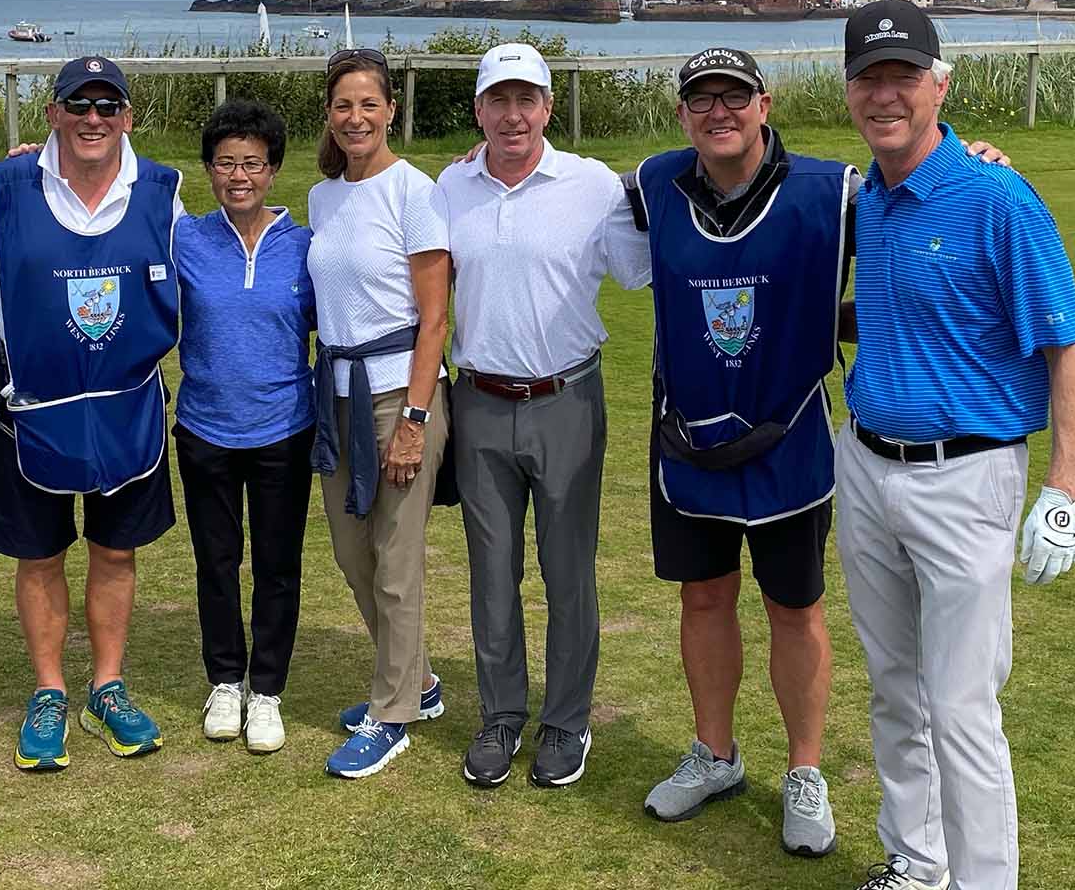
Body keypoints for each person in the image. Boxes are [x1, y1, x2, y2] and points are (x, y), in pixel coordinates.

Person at [836, 0, 1075, 890]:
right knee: (894, 690)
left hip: (967, 476)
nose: (886, 96)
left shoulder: (997, 197)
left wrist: (1062, 492)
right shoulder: (866, 195)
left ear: (939, 85)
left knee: (961, 707)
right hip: (866, 466)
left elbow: (1071, 346)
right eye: (869, 79)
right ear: (848, 93)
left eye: (903, 77)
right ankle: (918, 860)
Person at [624, 47, 852, 856]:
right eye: (701, 100)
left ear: (765, 102)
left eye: (734, 97)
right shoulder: (654, 186)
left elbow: (923, 192)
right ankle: (715, 754)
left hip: (788, 439)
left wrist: (971, 146)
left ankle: (805, 770)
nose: (718, 113)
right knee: (704, 600)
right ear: (683, 113)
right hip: (689, 439)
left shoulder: (833, 192)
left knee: (796, 608)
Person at [0, 56, 184, 771]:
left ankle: (106, 686)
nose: (93, 120)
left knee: (116, 550)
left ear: (127, 119)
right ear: (52, 113)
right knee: (40, 551)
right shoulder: (5, 183)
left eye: (107, 107)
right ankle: (50, 690)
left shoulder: (162, 190)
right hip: (30, 402)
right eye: (78, 105)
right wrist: (6, 273)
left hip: (126, 402)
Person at [436, 43, 652, 789]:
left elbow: (642, 262)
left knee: (569, 574)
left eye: (527, 99)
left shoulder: (591, 184)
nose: (513, 114)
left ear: (548, 109)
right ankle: (501, 716)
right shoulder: (451, 185)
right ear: (479, 111)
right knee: (491, 573)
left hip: (567, 400)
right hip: (480, 402)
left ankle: (566, 723)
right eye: (499, 100)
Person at [306, 48, 452, 778]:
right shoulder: (322, 197)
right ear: (329, 115)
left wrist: (416, 420)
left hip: (400, 394)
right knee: (352, 554)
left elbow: (434, 320)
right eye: (343, 105)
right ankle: (419, 684)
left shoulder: (414, 192)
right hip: (335, 398)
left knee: (396, 565)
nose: (356, 117)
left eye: (369, 103)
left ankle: (390, 714)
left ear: (391, 109)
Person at [172, 99, 315, 754]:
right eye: (226, 163)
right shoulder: (186, 239)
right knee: (217, 561)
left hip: (285, 429)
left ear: (273, 168)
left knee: (278, 565)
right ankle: (225, 681)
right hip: (205, 429)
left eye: (252, 163)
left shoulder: (305, 246)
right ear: (208, 170)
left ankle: (268, 691)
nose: (239, 176)